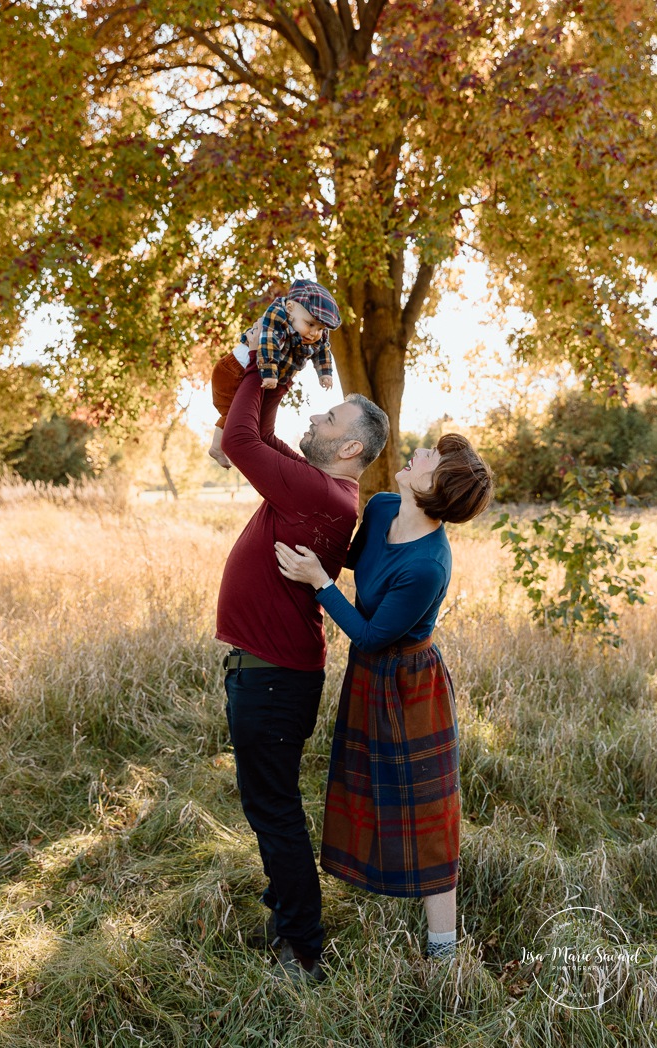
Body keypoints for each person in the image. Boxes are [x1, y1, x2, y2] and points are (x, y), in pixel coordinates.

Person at [274, 434, 493, 962]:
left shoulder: (427, 566)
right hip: (370, 681)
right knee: (370, 793)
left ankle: (443, 952)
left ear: (433, 486)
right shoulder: (383, 507)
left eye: (429, 460)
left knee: (428, 809)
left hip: (413, 687)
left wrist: (321, 585)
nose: (418, 452)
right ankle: (376, 876)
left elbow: (372, 635)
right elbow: (350, 556)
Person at [216, 346, 389, 984]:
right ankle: (289, 912)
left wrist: (267, 365)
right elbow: (258, 433)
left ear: (350, 449)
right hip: (266, 672)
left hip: (274, 678)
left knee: (275, 807)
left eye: (332, 418)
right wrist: (278, 364)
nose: (316, 417)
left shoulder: (322, 493)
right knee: (270, 803)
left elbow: (237, 438)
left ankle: (304, 945)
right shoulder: (318, 486)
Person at [209, 278, 342, 467]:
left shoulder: (313, 333)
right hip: (235, 371)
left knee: (255, 424)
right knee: (236, 415)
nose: (314, 333)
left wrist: (325, 373)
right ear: (289, 308)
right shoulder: (277, 316)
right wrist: (270, 374)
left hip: (261, 377)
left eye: (320, 329)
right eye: (310, 324)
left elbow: (322, 350)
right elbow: (268, 345)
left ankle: (269, 462)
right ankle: (217, 447)